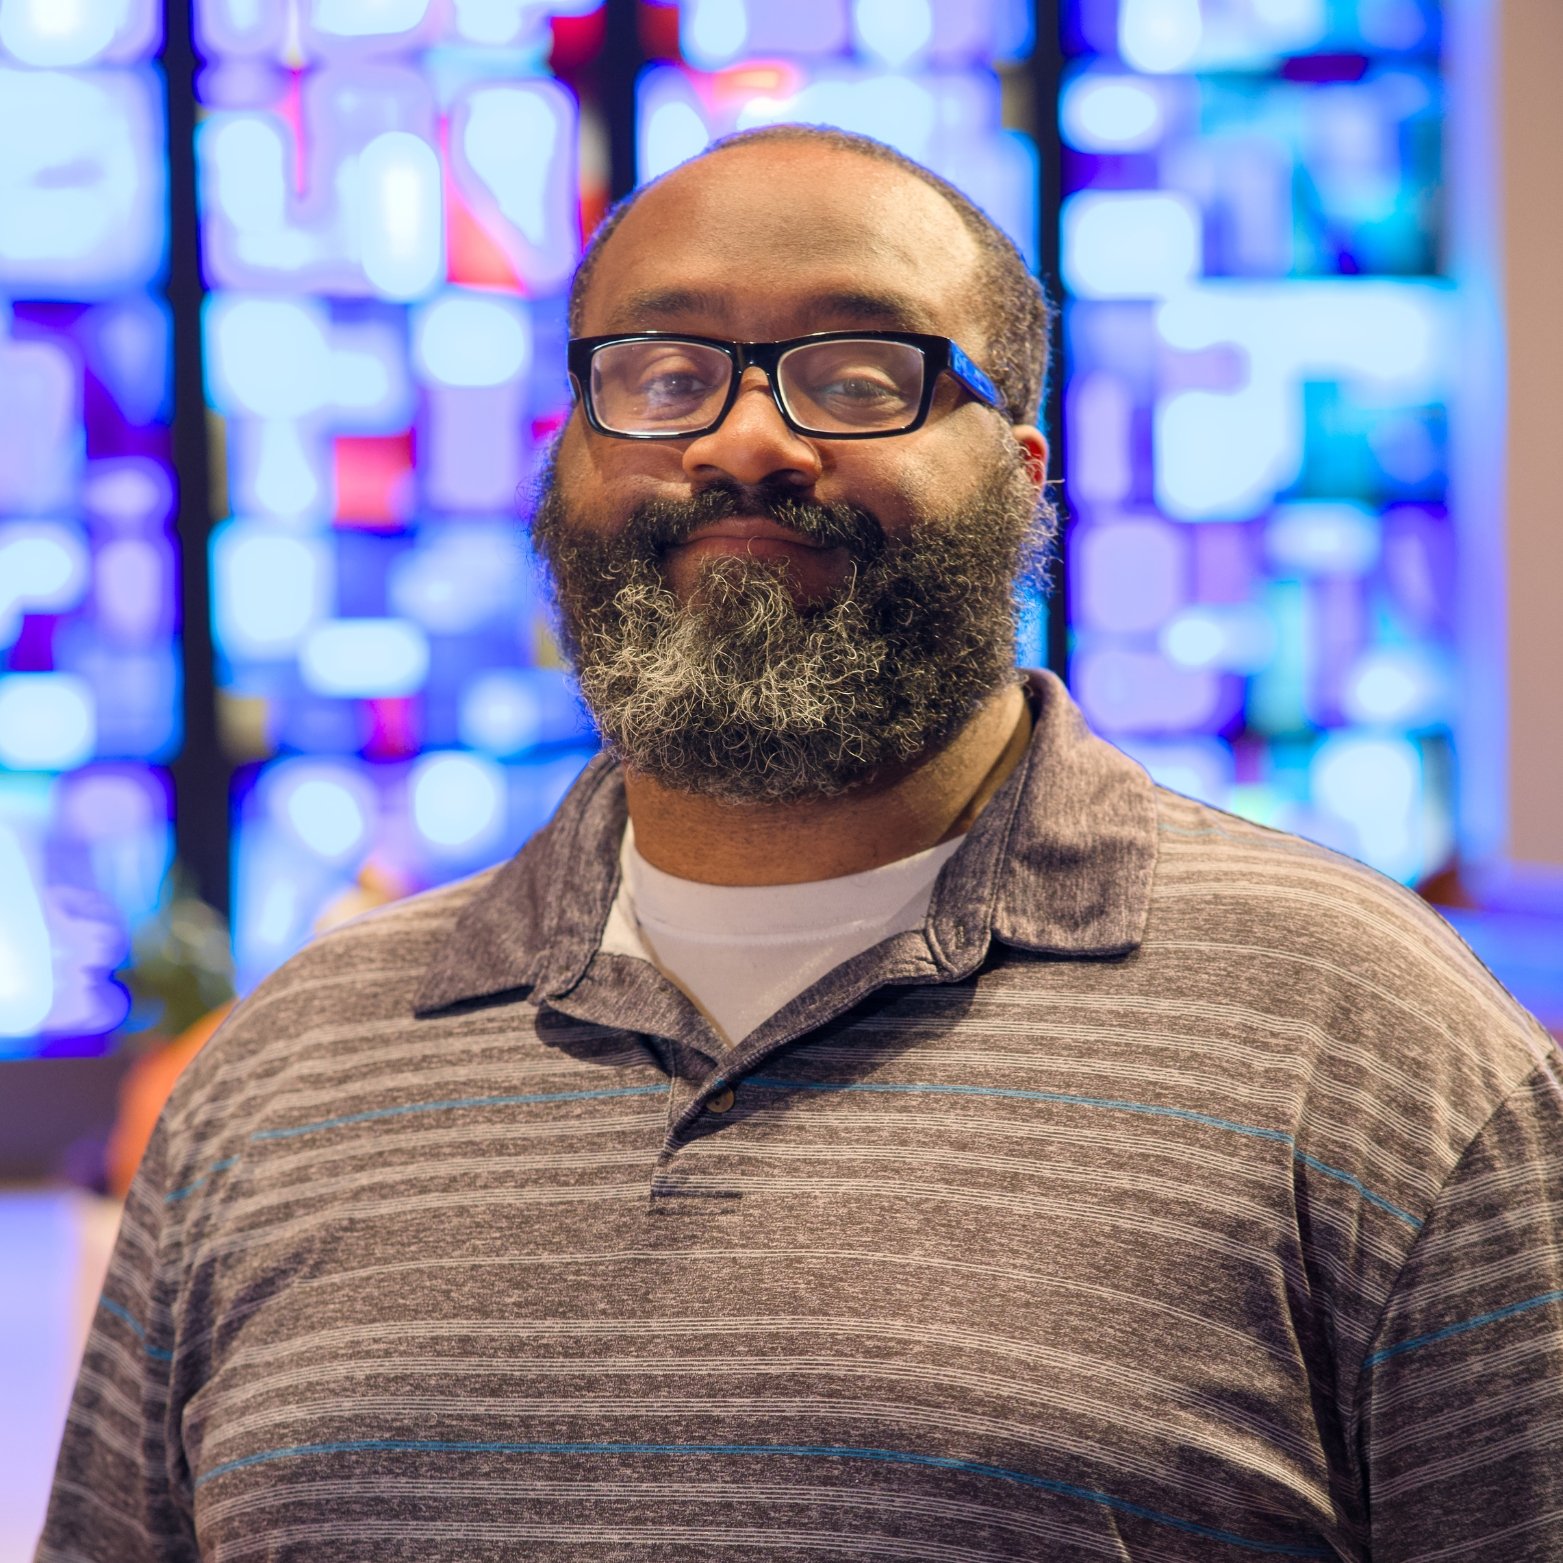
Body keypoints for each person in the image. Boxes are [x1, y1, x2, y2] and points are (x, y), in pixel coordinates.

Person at [37, 126, 1562, 1563]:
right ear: (565, 459)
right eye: (662, 372)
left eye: (856, 372)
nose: (747, 441)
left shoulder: (1369, 1042)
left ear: (1026, 479)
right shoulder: (283, 1074)